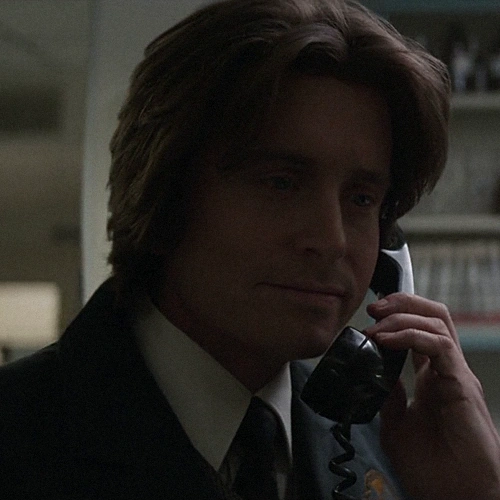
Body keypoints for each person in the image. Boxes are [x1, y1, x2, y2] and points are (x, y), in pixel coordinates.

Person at [1, 0, 499, 498]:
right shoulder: (21, 434)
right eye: (281, 183)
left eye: (362, 199)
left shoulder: (393, 453)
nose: (333, 241)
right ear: (165, 193)